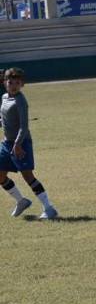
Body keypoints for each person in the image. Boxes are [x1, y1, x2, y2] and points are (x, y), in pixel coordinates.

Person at [1, 68, 58, 219]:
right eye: (10, 82)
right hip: (7, 143)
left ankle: (49, 208)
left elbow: (24, 126)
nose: (13, 85)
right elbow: (5, 119)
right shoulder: (4, 97)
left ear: (22, 84)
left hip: (21, 143)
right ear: (5, 82)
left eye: (17, 83)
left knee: (28, 176)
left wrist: (18, 144)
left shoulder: (20, 100)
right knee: (0, 175)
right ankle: (21, 201)